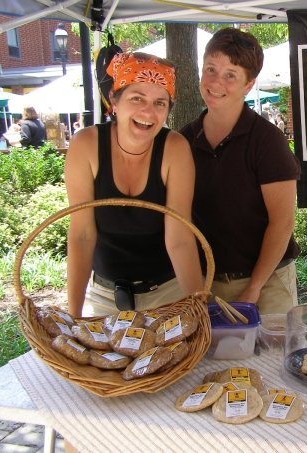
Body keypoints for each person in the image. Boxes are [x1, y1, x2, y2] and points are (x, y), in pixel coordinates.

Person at [64, 51, 203, 318]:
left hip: (168, 295)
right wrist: (73, 316)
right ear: (114, 101)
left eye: (160, 103)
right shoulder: (86, 145)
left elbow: (180, 239)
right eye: (137, 98)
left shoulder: (174, 148)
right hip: (105, 296)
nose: (148, 112)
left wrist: (197, 308)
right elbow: (82, 235)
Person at [180, 28, 300, 315]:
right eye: (211, 69)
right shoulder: (184, 140)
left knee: (269, 360)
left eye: (230, 74)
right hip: (206, 284)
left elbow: (282, 223)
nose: (215, 82)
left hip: (267, 282)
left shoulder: (266, 140)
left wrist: (254, 288)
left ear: (249, 84)